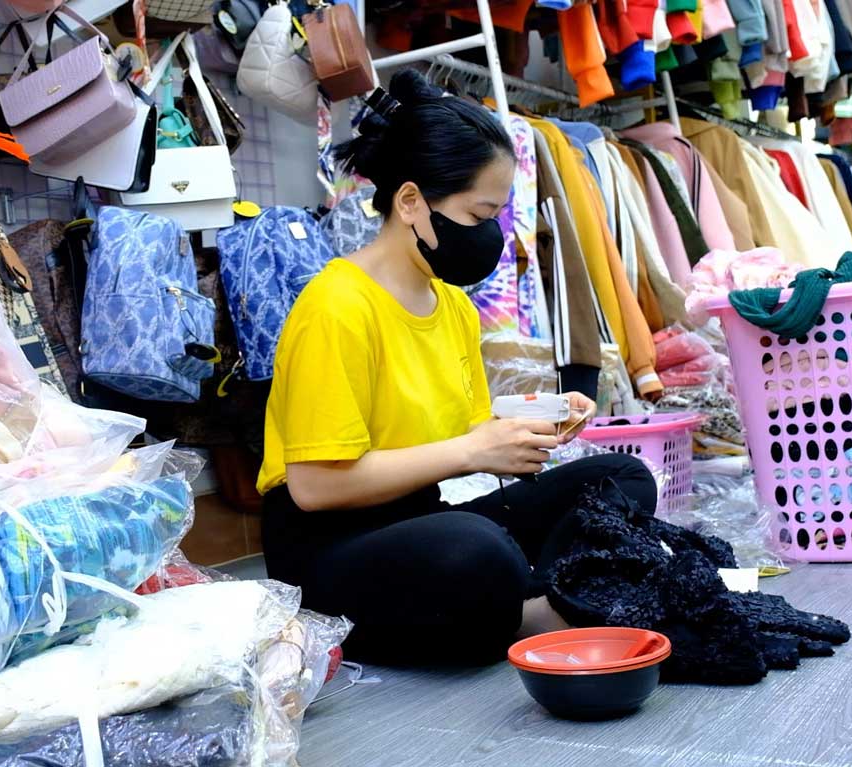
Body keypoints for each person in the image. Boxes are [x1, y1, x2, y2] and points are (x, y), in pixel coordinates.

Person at [258, 70, 656, 665]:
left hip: (416, 521)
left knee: (622, 481)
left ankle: (528, 610)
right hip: (327, 551)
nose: (488, 235)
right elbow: (315, 488)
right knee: (476, 551)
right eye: (478, 215)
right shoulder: (336, 306)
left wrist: (535, 425)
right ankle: (533, 607)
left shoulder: (453, 307)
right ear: (411, 201)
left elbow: (460, 434)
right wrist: (474, 452)